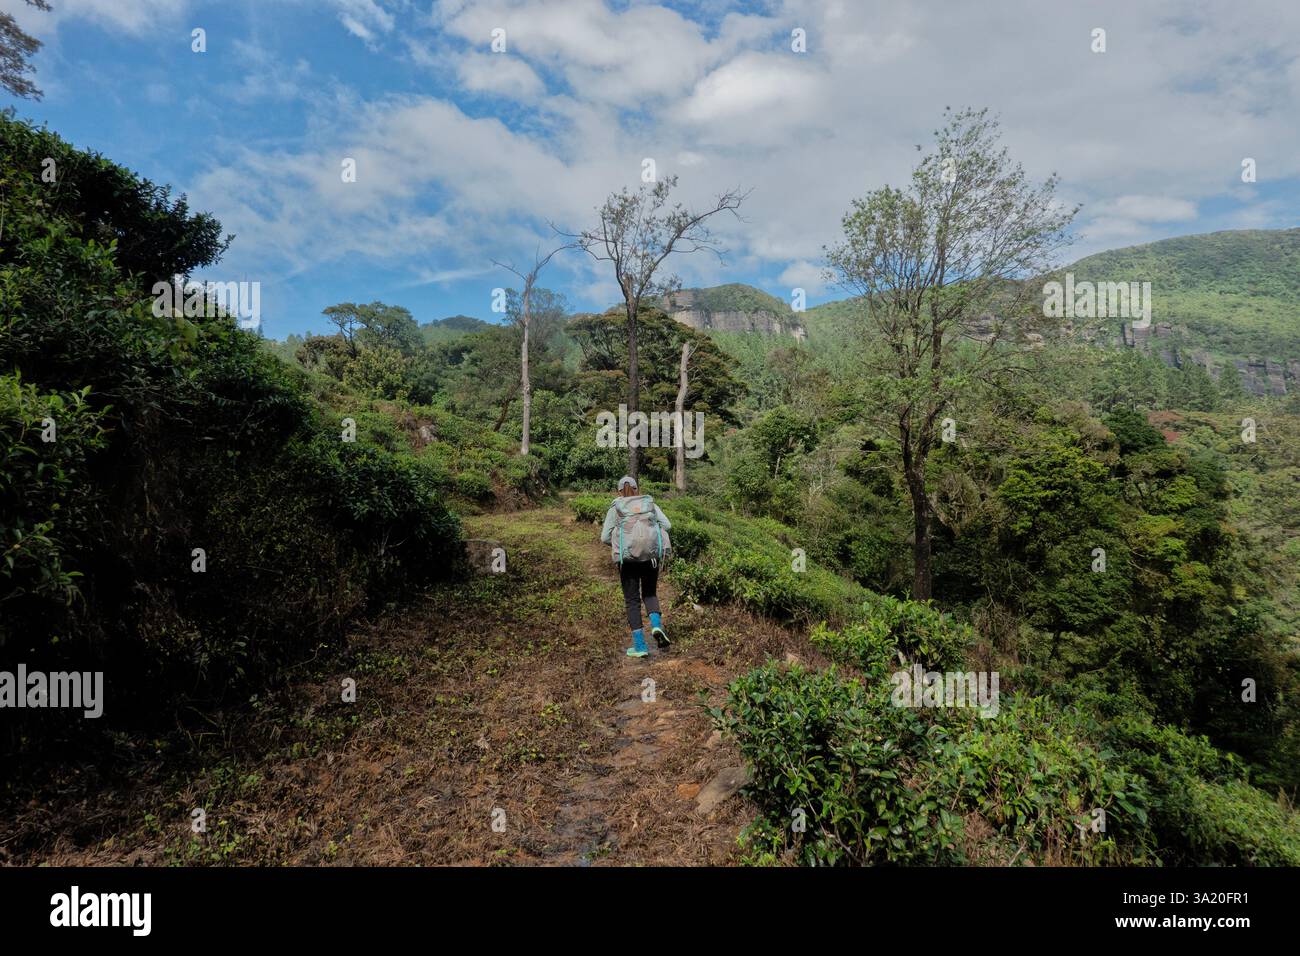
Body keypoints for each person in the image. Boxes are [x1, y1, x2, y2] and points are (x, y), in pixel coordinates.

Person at [600, 475, 672, 658]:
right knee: (649, 593)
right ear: (637, 489)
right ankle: (656, 625)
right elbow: (667, 525)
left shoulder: (615, 507)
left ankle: (640, 646)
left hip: (628, 561)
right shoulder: (649, 504)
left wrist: (622, 545)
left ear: (618, 491)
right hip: (651, 558)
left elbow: (605, 537)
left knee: (632, 601)